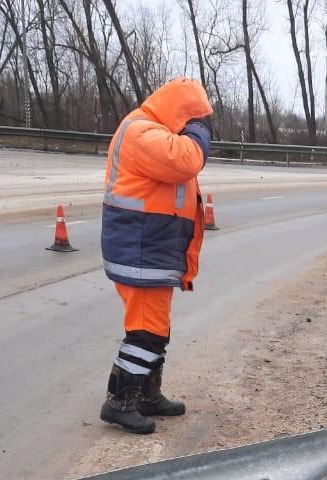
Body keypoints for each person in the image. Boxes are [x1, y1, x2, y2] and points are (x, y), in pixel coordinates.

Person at [99, 77, 214, 434]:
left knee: (156, 329)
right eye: (196, 117)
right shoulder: (141, 133)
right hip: (142, 250)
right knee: (146, 332)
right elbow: (187, 161)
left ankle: (148, 394)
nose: (200, 125)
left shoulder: (151, 132)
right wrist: (198, 132)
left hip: (150, 249)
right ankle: (120, 401)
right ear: (182, 112)